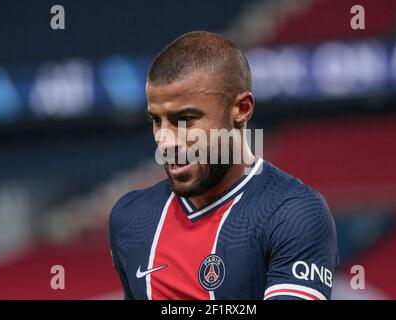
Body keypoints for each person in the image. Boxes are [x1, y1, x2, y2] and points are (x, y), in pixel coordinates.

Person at [109, 31, 339, 300]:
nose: (165, 140)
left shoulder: (294, 214)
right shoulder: (130, 218)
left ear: (241, 109)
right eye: (156, 121)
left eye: (185, 119)